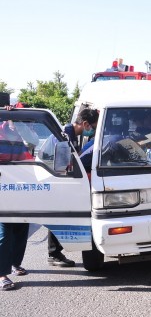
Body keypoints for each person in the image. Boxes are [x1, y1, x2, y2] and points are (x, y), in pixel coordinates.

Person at [48, 108, 99, 267]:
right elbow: (62, 164)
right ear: (85, 124)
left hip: (61, 179)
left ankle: (55, 252)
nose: (91, 131)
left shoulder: (71, 134)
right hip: (57, 180)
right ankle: (54, 254)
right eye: (92, 127)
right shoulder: (64, 135)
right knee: (59, 215)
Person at [0, 117, 33, 290]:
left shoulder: (16, 133)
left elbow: (30, 149)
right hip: (2, 190)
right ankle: (2, 274)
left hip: (20, 188)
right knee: (4, 232)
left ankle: (14, 263)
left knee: (21, 227)